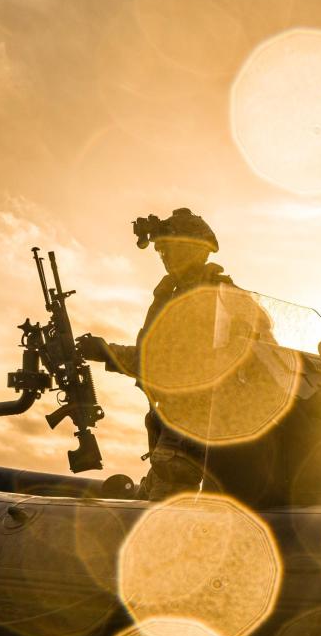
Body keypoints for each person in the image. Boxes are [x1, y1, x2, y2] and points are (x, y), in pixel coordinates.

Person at [77, 207, 244, 499]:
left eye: (169, 248)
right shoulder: (180, 294)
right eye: (160, 250)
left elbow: (163, 364)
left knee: (163, 513)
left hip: (194, 427)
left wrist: (104, 352)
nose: (164, 256)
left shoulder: (210, 298)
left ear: (192, 250)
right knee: (150, 496)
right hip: (177, 426)